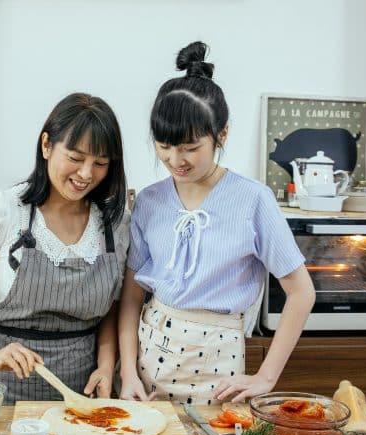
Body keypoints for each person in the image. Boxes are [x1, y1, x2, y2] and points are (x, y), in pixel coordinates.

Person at [118, 42, 315, 405]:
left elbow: (302, 292)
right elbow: (131, 298)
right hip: (149, 359)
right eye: (164, 146)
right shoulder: (148, 200)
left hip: (218, 367)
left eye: (190, 147)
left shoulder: (253, 200)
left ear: (221, 135)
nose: (175, 160)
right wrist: (127, 372)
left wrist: (267, 376)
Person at [0, 93, 129, 403]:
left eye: (100, 163)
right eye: (75, 158)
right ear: (47, 145)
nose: (87, 174)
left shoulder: (115, 223)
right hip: (7, 391)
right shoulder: (4, 211)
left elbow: (110, 308)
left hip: (84, 391)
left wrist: (105, 366)